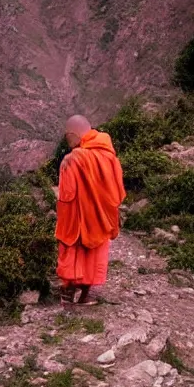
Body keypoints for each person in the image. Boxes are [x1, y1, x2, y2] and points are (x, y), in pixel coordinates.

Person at [56, 115, 126, 305]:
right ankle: (89, 295)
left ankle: (68, 293)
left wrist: (64, 218)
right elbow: (118, 191)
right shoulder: (110, 157)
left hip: (78, 217)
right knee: (96, 253)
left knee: (73, 250)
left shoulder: (73, 159)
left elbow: (67, 196)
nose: (67, 141)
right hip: (103, 216)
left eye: (67, 136)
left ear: (73, 134)